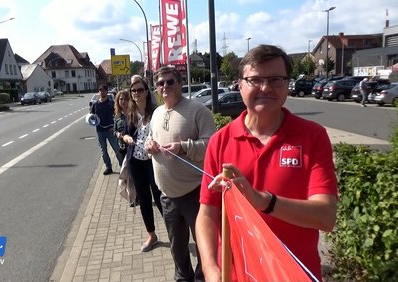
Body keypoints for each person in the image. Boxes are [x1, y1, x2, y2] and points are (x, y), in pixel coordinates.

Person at [195, 44, 338, 282]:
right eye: (255, 80)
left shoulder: (313, 136)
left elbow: (326, 216)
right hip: (237, 275)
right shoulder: (220, 141)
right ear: (239, 85)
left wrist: (262, 201)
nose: (265, 88)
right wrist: (211, 269)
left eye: (275, 79)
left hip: (294, 275)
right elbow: (207, 215)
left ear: (287, 83)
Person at [145, 66, 216, 281]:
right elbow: (150, 136)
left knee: (204, 244)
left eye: (170, 82)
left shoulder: (198, 111)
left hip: (195, 193)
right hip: (167, 194)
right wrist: (149, 145)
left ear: (180, 83)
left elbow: (212, 146)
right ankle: (183, 277)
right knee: (177, 247)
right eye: (160, 83)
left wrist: (183, 147)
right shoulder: (157, 113)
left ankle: (201, 278)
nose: (164, 86)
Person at [121, 78, 163, 252]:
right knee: (144, 200)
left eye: (139, 90)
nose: (136, 93)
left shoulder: (157, 112)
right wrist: (126, 137)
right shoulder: (130, 114)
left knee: (161, 198)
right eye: (133, 91)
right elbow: (123, 133)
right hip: (136, 162)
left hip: (154, 162)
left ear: (146, 91)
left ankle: (174, 230)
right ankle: (151, 235)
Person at [90, 84, 123, 175]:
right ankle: (108, 167)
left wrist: (114, 126)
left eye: (104, 90)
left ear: (106, 91)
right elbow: (92, 116)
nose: (102, 92)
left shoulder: (111, 103)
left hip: (110, 130)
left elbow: (118, 116)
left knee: (117, 149)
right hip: (100, 131)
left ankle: (122, 167)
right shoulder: (95, 105)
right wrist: (92, 119)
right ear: (99, 92)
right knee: (103, 151)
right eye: (100, 90)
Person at [114, 90, 130, 159]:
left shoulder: (133, 114)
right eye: (121, 99)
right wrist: (117, 134)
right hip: (122, 147)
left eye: (125, 99)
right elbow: (115, 131)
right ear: (118, 101)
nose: (123, 101)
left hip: (132, 147)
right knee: (123, 168)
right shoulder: (117, 115)